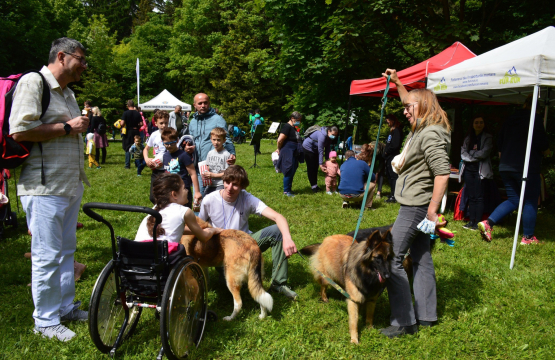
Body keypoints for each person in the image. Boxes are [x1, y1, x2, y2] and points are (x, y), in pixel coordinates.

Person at [9, 37, 91, 341]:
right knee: (46, 254)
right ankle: (44, 321)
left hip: (68, 185)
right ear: (61, 56)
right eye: (81, 59)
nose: (84, 66)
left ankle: (65, 307)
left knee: (66, 250)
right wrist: (68, 127)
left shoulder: (68, 92)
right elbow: (19, 129)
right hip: (43, 188)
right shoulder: (34, 82)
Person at [379, 68, 451, 338]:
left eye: (409, 107)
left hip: (417, 207)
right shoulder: (425, 129)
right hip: (419, 204)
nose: (405, 110)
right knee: (421, 257)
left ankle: (404, 321)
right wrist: (398, 83)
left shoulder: (430, 134)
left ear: (423, 106)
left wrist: (432, 210)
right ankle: (427, 316)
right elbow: (410, 99)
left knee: (393, 258)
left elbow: (443, 173)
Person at [198, 165, 299, 300]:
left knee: (277, 231)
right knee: (229, 286)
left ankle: (278, 284)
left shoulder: (247, 199)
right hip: (221, 249)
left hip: (245, 243)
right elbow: (199, 227)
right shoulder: (209, 199)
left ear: (242, 187)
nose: (229, 188)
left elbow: (278, 217)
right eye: (227, 182)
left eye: (235, 185)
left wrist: (287, 238)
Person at [478, 96, 549, 244]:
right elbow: (543, 145)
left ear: (524, 104)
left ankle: (488, 223)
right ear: (538, 107)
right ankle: (528, 237)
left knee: (514, 199)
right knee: (530, 200)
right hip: (525, 167)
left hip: (506, 165)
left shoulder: (510, 119)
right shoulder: (535, 119)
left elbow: (500, 142)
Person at [135, 173, 222, 244]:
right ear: (174, 195)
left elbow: (173, 229)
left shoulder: (155, 208)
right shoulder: (184, 211)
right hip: (162, 258)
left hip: (137, 254)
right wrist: (213, 230)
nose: (187, 190)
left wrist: (197, 230)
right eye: (184, 188)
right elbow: (204, 237)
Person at [189, 93, 236, 195]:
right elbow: (191, 140)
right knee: (199, 199)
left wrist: (232, 154)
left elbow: (226, 139)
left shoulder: (217, 119)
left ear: (209, 103)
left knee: (215, 199)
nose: (203, 105)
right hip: (198, 167)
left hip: (214, 167)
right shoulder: (192, 122)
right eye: (200, 103)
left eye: (205, 103)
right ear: (195, 105)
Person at [460, 116, 493, 231]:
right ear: (472, 124)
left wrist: (471, 155)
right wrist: (473, 155)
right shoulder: (468, 138)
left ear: (484, 124)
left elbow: (484, 153)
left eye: (481, 122)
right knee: (471, 196)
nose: (478, 124)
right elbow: (463, 152)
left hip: (480, 171)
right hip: (468, 170)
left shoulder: (488, 137)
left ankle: (477, 223)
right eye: (476, 122)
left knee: (479, 197)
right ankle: (471, 221)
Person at [161, 127, 202, 207]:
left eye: (172, 143)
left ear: (177, 141)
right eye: (166, 143)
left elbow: (193, 173)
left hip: (183, 190)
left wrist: (197, 192)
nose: (169, 146)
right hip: (169, 190)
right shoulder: (165, 156)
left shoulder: (183, 155)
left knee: (184, 213)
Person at [302, 125, 339, 193]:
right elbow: (321, 150)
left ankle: (315, 185)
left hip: (315, 149)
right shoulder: (322, 135)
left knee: (315, 167)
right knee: (311, 167)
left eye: (335, 135)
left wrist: (327, 160)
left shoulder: (329, 137)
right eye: (333, 134)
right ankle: (313, 186)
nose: (334, 136)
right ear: (328, 131)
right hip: (308, 148)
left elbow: (327, 148)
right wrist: (321, 164)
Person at [144, 111, 169, 203]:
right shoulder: (154, 135)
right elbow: (146, 149)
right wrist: (147, 159)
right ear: (156, 123)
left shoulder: (172, 134)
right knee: (153, 196)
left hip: (168, 169)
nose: (164, 125)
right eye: (161, 123)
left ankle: (164, 215)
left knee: (165, 196)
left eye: (166, 123)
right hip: (156, 169)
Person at [276, 111, 303, 197]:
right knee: (288, 169)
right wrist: (279, 149)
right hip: (288, 151)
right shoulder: (286, 127)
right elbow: (280, 140)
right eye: (298, 120)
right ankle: (286, 191)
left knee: (293, 169)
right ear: (292, 119)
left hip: (294, 151)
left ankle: (289, 189)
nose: (299, 122)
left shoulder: (293, 127)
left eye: (300, 120)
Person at [203, 127, 231, 195]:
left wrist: (213, 175)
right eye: (214, 139)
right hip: (210, 184)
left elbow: (227, 173)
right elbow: (208, 167)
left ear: (224, 140)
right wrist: (205, 173)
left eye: (218, 140)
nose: (216, 142)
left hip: (220, 184)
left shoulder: (226, 154)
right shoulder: (210, 153)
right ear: (211, 139)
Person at [383, 114, 403, 203]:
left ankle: (394, 196)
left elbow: (395, 145)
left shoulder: (397, 131)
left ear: (392, 120)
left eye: (388, 121)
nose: (387, 123)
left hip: (393, 156)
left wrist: (387, 152)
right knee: (389, 175)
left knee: (393, 176)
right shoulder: (392, 131)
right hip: (388, 156)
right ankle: (392, 193)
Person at [121, 100, 143, 169]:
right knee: (137, 147)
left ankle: (127, 165)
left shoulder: (125, 113)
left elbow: (122, 123)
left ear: (127, 106)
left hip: (129, 131)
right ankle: (137, 164)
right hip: (136, 130)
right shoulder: (137, 113)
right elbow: (141, 124)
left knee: (127, 147)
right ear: (133, 105)